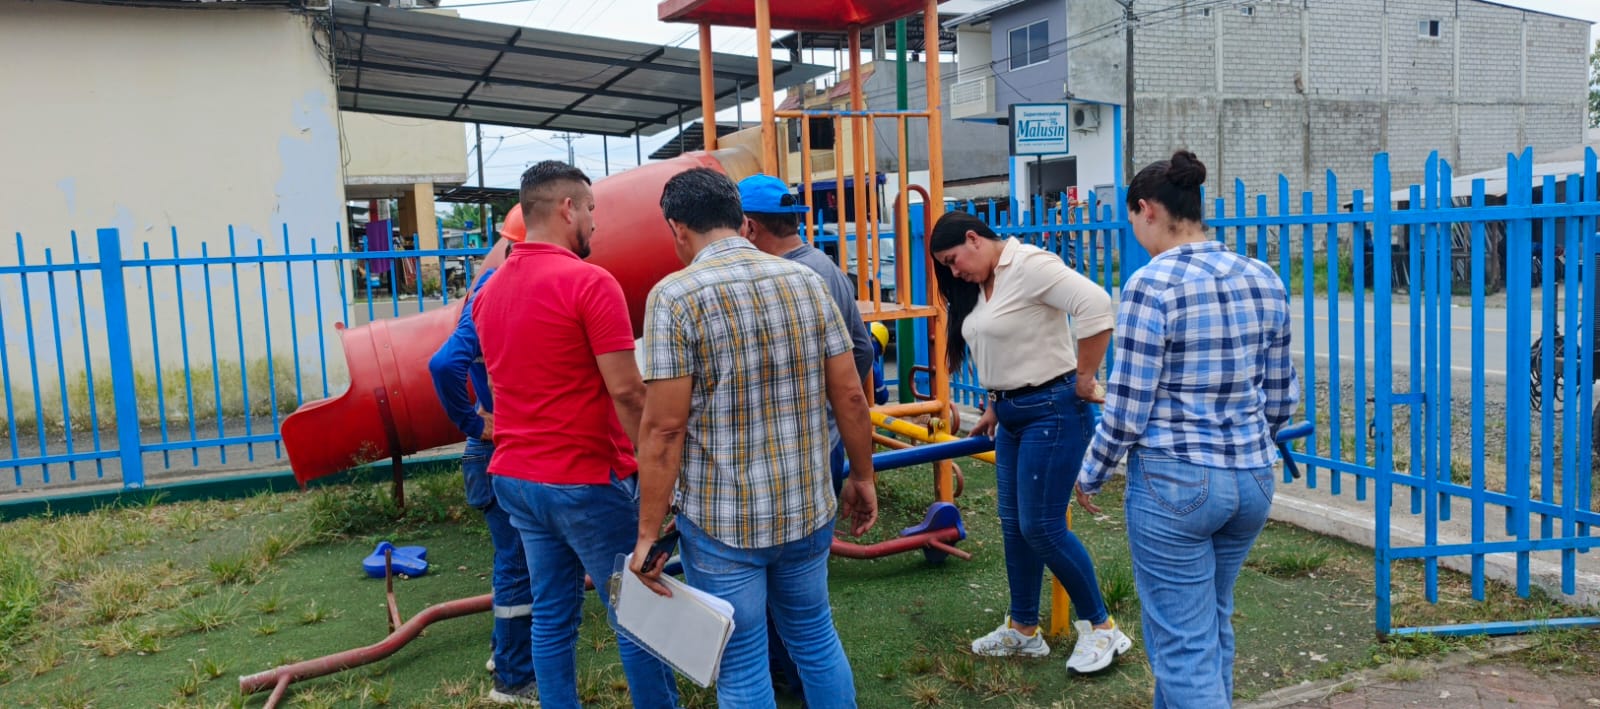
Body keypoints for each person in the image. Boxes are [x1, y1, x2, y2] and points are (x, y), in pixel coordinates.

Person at [629, 167, 878, 709]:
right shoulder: (807, 280)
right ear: (740, 220)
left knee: (742, 663)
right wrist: (862, 475)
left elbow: (664, 428)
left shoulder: (674, 296)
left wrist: (648, 533)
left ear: (677, 228)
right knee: (815, 637)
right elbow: (850, 395)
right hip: (807, 507)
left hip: (724, 521)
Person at [1078, 150, 1298, 708]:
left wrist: (1092, 472)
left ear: (1147, 210)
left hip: (1176, 484)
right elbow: (1280, 396)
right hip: (1252, 478)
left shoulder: (1149, 285)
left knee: (1182, 646)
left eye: (1132, 218)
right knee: (1209, 626)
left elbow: (1128, 406)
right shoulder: (1263, 277)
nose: (1134, 229)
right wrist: (1252, 440)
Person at [472, 160, 679, 709]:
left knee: (551, 614)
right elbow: (628, 392)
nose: (594, 222)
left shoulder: (488, 293)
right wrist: (655, 470)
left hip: (516, 479)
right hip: (583, 480)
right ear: (567, 208)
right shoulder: (591, 282)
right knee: (636, 611)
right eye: (590, 209)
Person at [929, 210, 1133, 675]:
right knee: (1015, 525)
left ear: (974, 238)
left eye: (953, 260)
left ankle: (1102, 628)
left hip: (1053, 410)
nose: (953, 272)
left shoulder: (1029, 265)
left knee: (1042, 527)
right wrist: (996, 403)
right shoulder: (983, 284)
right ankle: (1023, 630)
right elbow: (1005, 344)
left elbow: (1096, 305)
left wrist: (1085, 377)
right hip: (1013, 416)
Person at [427, 238, 536, 706]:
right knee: (518, 565)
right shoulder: (503, 292)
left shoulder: (486, 291)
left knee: (514, 561)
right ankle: (513, 678)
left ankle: (503, 652)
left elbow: (451, 361)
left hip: (490, 449)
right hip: (499, 448)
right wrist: (476, 423)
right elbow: (442, 364)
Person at [736, 173, 875, 492]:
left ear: (749, 228)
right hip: (827, 438)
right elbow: (862, 349)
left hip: (789, 447)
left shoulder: (780, 280)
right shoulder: (827, 268)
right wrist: (832, 406)